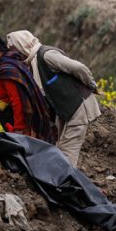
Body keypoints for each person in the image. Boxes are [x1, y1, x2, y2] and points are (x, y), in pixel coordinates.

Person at [6, 30, 100, 167]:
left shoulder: (46, 55)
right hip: (64, 110)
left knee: (67, 151)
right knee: (60, 147)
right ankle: (66, 180)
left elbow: (78, 67)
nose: (13, 55)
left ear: (22, 45)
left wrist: (91, 85)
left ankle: (67, 183)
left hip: (79, 106)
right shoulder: (32, 64)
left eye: (14, 50)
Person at [0, 33, 54, 143]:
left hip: (22, 129)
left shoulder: (8, 70)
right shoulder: (10, 64)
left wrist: (18, 131)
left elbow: (19, 102)